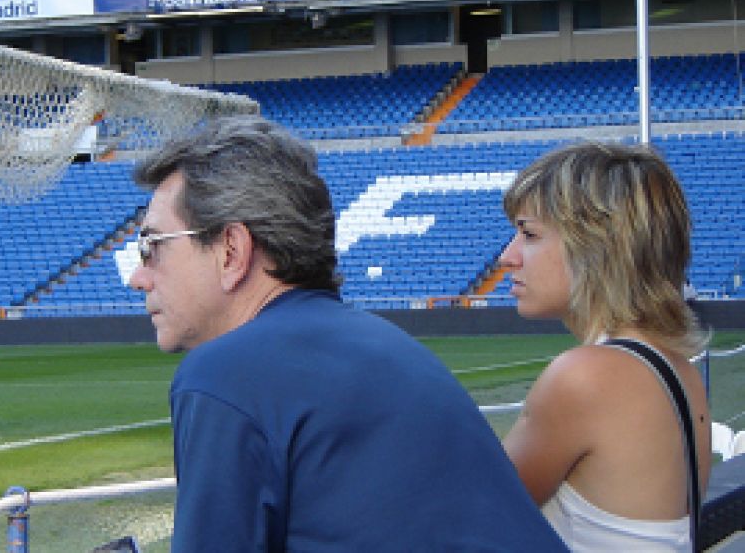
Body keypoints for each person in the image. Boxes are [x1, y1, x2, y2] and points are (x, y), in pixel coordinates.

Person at [128, 115, 565, 551]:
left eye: (153, 246)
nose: (138, 277)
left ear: (232, 251)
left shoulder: (224, 375)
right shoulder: (390, 347)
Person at [498, 141, 712, 551]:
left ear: (595, 247)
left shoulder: (587, 376)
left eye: (528, 234)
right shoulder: (675, 367)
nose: (508, 257)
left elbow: (474, 511)